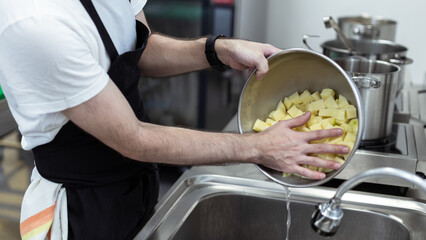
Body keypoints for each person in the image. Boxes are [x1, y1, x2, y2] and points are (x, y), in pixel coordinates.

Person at [0, 0, 348, 239]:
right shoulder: (36, 22)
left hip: (135, 184)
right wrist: (259, 147)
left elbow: (140, 48)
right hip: (82, 211)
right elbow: (133, 138)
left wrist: (217, 50)